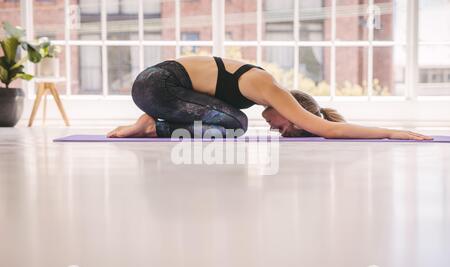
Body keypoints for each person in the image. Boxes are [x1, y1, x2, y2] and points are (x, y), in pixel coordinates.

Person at [107, 56, 432, 141]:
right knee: (237, 125)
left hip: (156, 85)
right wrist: (390, 131)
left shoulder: (257, 90)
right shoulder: (270, 89)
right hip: (157, 85)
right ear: (292, 111)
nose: (276, 130)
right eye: (284, 129)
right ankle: (151, 125)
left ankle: (153, 120)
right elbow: (329, 130)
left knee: (229, 125)